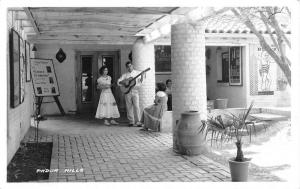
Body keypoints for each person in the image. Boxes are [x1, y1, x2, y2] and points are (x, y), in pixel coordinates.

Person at [117, 61, 144, 127]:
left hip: (135, 91)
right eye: (128, 67)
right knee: (129, 107)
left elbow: (141, 82)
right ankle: (131, 121)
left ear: (132, 66)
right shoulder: (125, 75)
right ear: (126, 67)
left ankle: (138, 122)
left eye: (130, 66)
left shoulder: (137, 73)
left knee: (136, 106)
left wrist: (142, 76)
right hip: (128, 92)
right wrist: (125, 82)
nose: (129, 68)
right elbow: (118, 82)